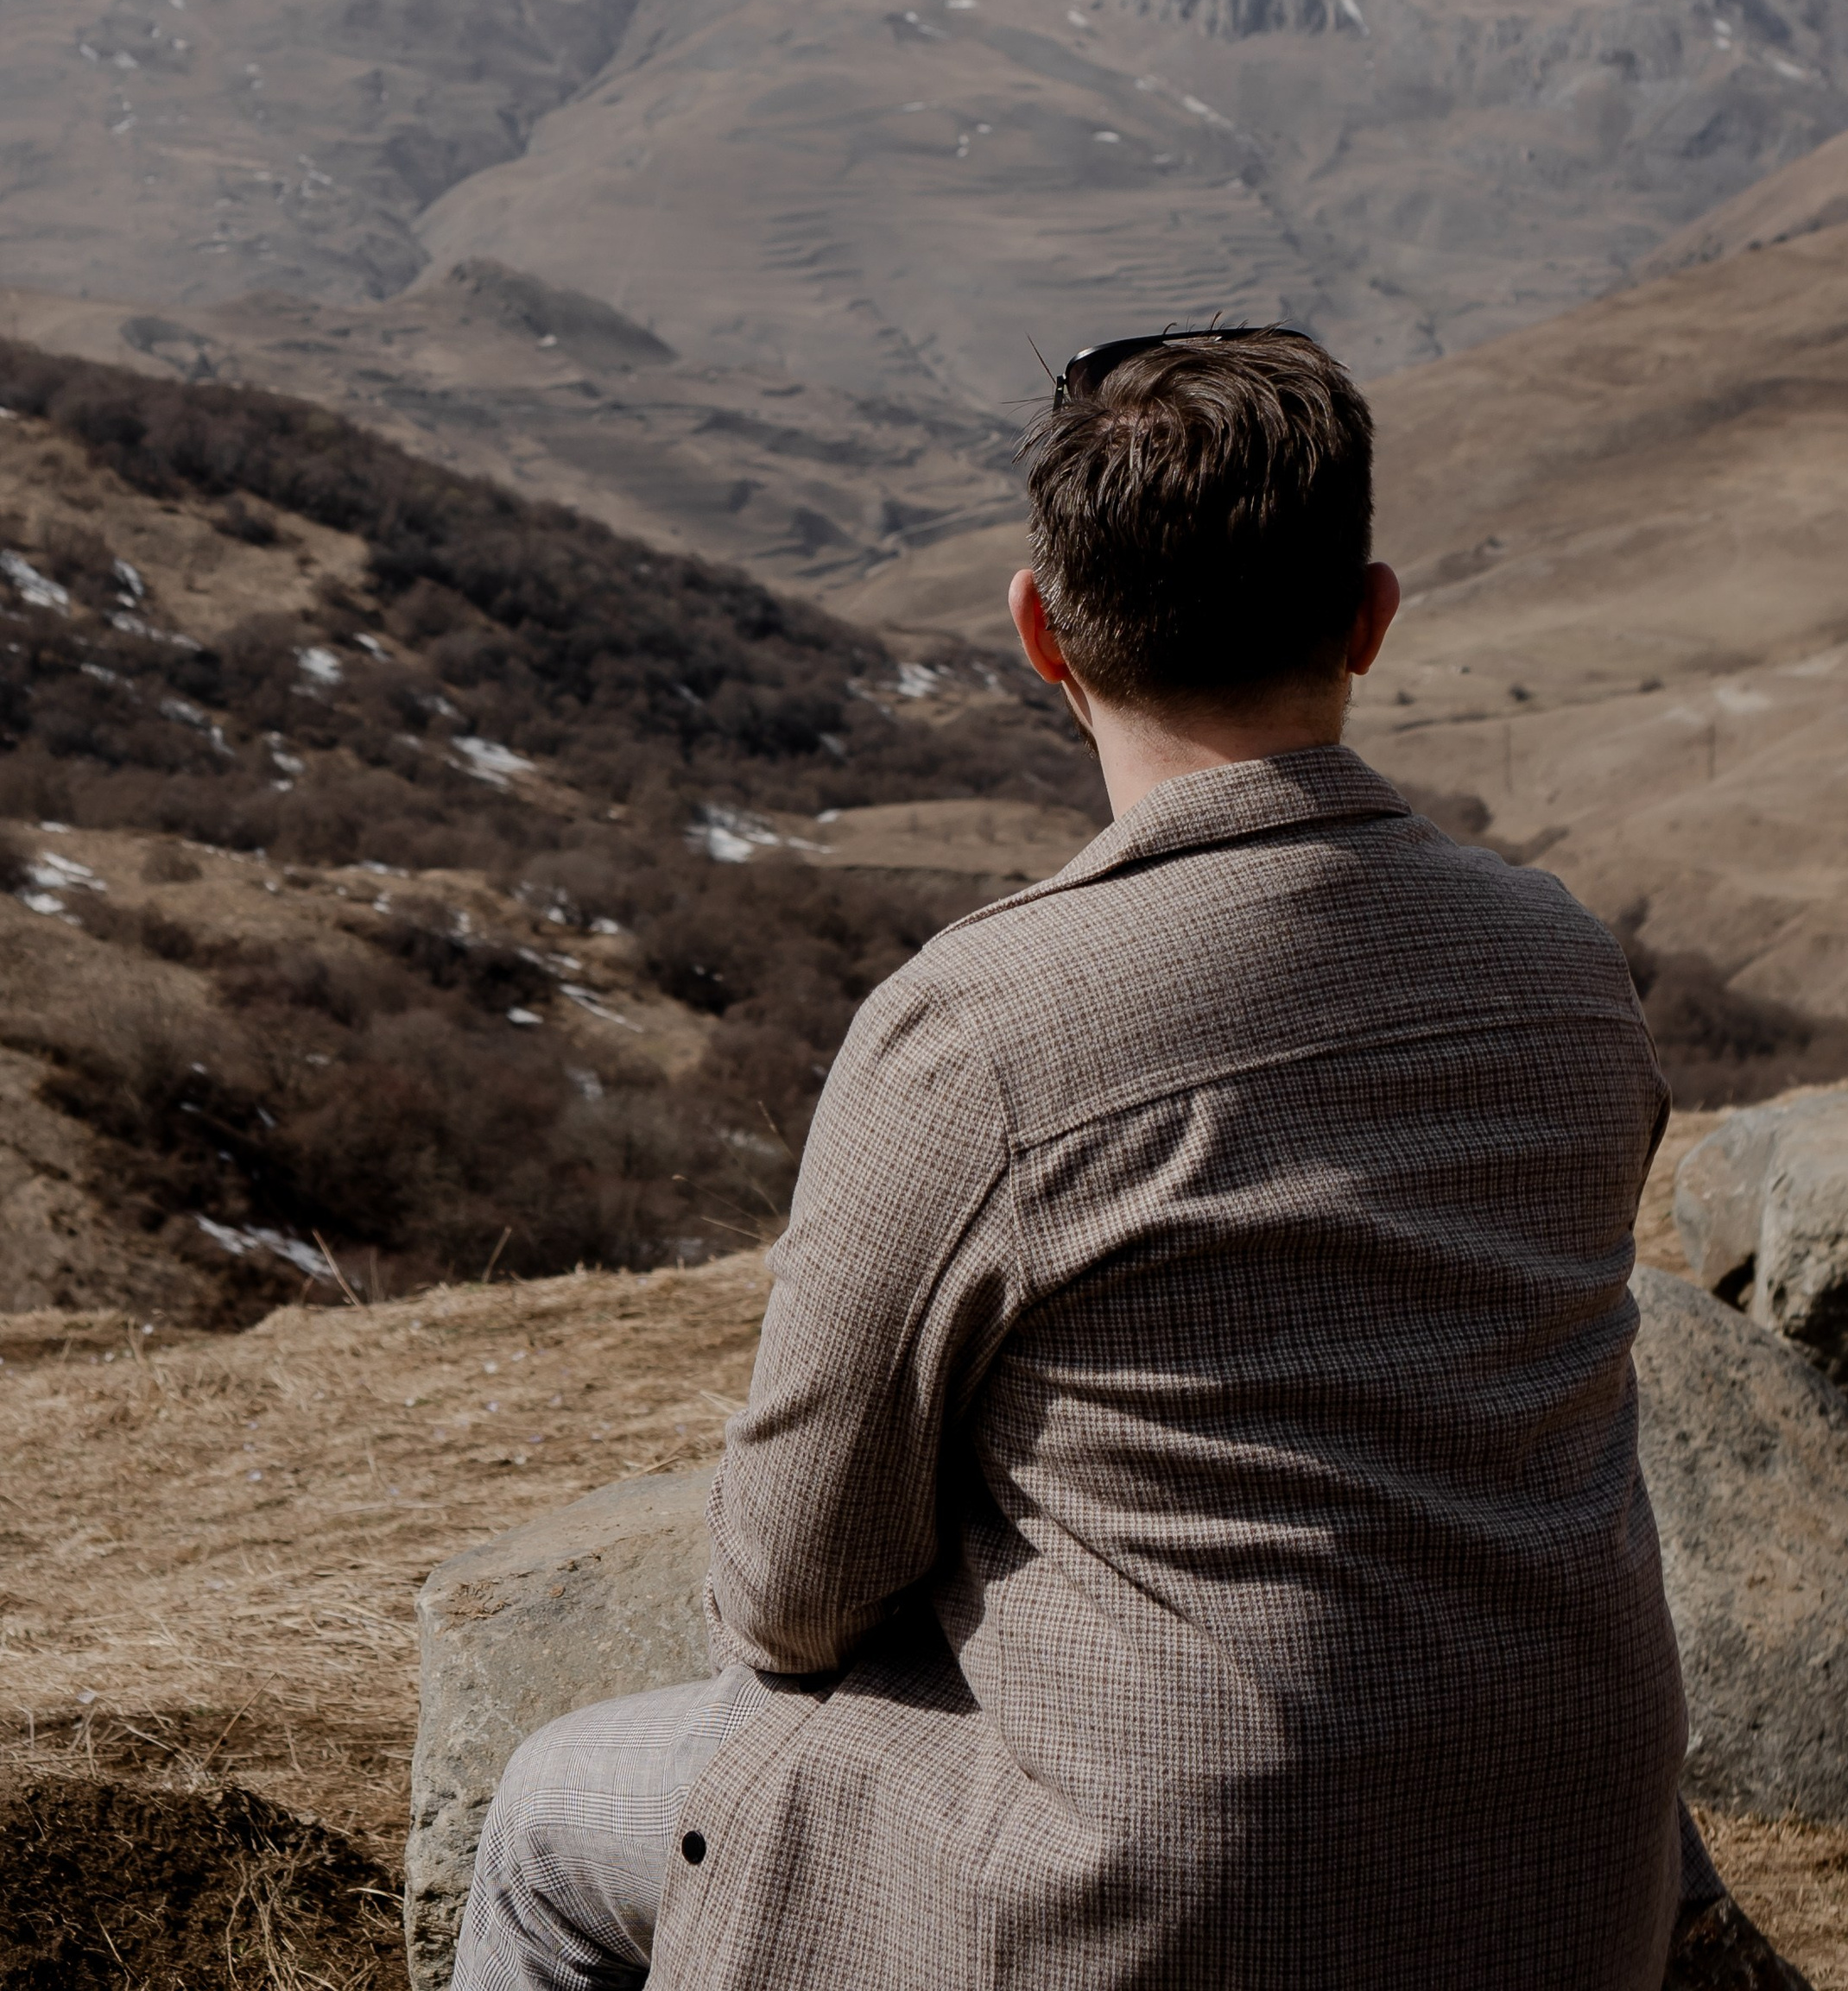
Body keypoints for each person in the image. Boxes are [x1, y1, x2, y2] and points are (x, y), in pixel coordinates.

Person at [460, 324, 1716, 1991]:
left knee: (550, 1819)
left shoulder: (980, 1025)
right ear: (1370, 616)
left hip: (1159, 1912)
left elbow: (788, 1584)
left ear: (1040, 631)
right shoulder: (1564, 963)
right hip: (1574, 1868)